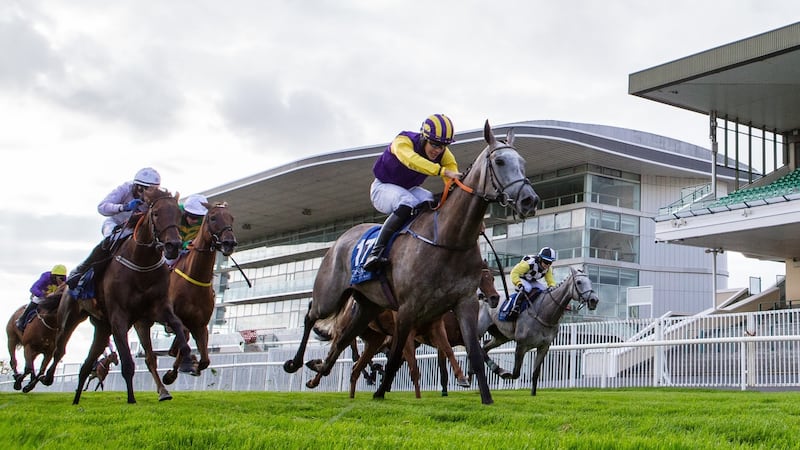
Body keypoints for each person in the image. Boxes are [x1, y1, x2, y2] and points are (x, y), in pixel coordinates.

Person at [363, 114, 463, 272]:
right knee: (408, 202)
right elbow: (411, 160)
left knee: (431, 200)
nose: (438, 150)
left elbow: (453, 181)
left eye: (443, 146)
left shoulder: (444, 154)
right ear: (424, 137)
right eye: (435, 144)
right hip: (382, 188)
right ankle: (376, 252)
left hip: (408, 189)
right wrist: (441, 171)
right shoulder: (403, 141)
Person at [66, 167, 161, 289]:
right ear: (139, 187)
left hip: (137, 230)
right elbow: (102, 207)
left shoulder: (155, 199)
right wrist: (124, 207)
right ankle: (81, 270)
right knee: (112, 239)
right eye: (150, 189)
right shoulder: (125, 189)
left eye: (156, 189)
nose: (152, 194)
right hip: (115, 224)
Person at [506, 247, 558, 320]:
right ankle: (515, 308)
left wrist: (552, 286)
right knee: (527, 288)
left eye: (550, 263)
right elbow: (514, 273)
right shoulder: (529, 263)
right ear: (540, 259)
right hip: (521, 278)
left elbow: (551, 281)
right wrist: (518, 283)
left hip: (531, 280)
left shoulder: (548, 269)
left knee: (544, 290)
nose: (548, 265)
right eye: (546, 262)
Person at [16, 264, 67, 331]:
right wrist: (44, 295)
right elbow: (33, 288)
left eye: (63, 278)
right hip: (42, 296)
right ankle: (21, 320)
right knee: (35, 300)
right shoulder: (45, 277)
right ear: (54, 276)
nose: (62, 280)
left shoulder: (65, 281)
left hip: (54, 298)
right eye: (60, 278)